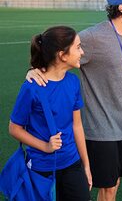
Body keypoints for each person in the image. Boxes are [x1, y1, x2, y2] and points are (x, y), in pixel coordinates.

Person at [26, 0, 122, 201]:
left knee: (113, 184)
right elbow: (57, 53)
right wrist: (35, 69)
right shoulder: (93, 37)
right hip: (100, 130)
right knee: (100, 186)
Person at [10, 26, 92, 201]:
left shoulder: (73, 81)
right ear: (62, 55)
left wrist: (86, 165)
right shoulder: (31, 87)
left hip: (72, 163)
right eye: (78, 47)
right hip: (42, 168)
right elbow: (15, 128)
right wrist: (45, 146)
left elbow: (77, 125)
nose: (82, 52)